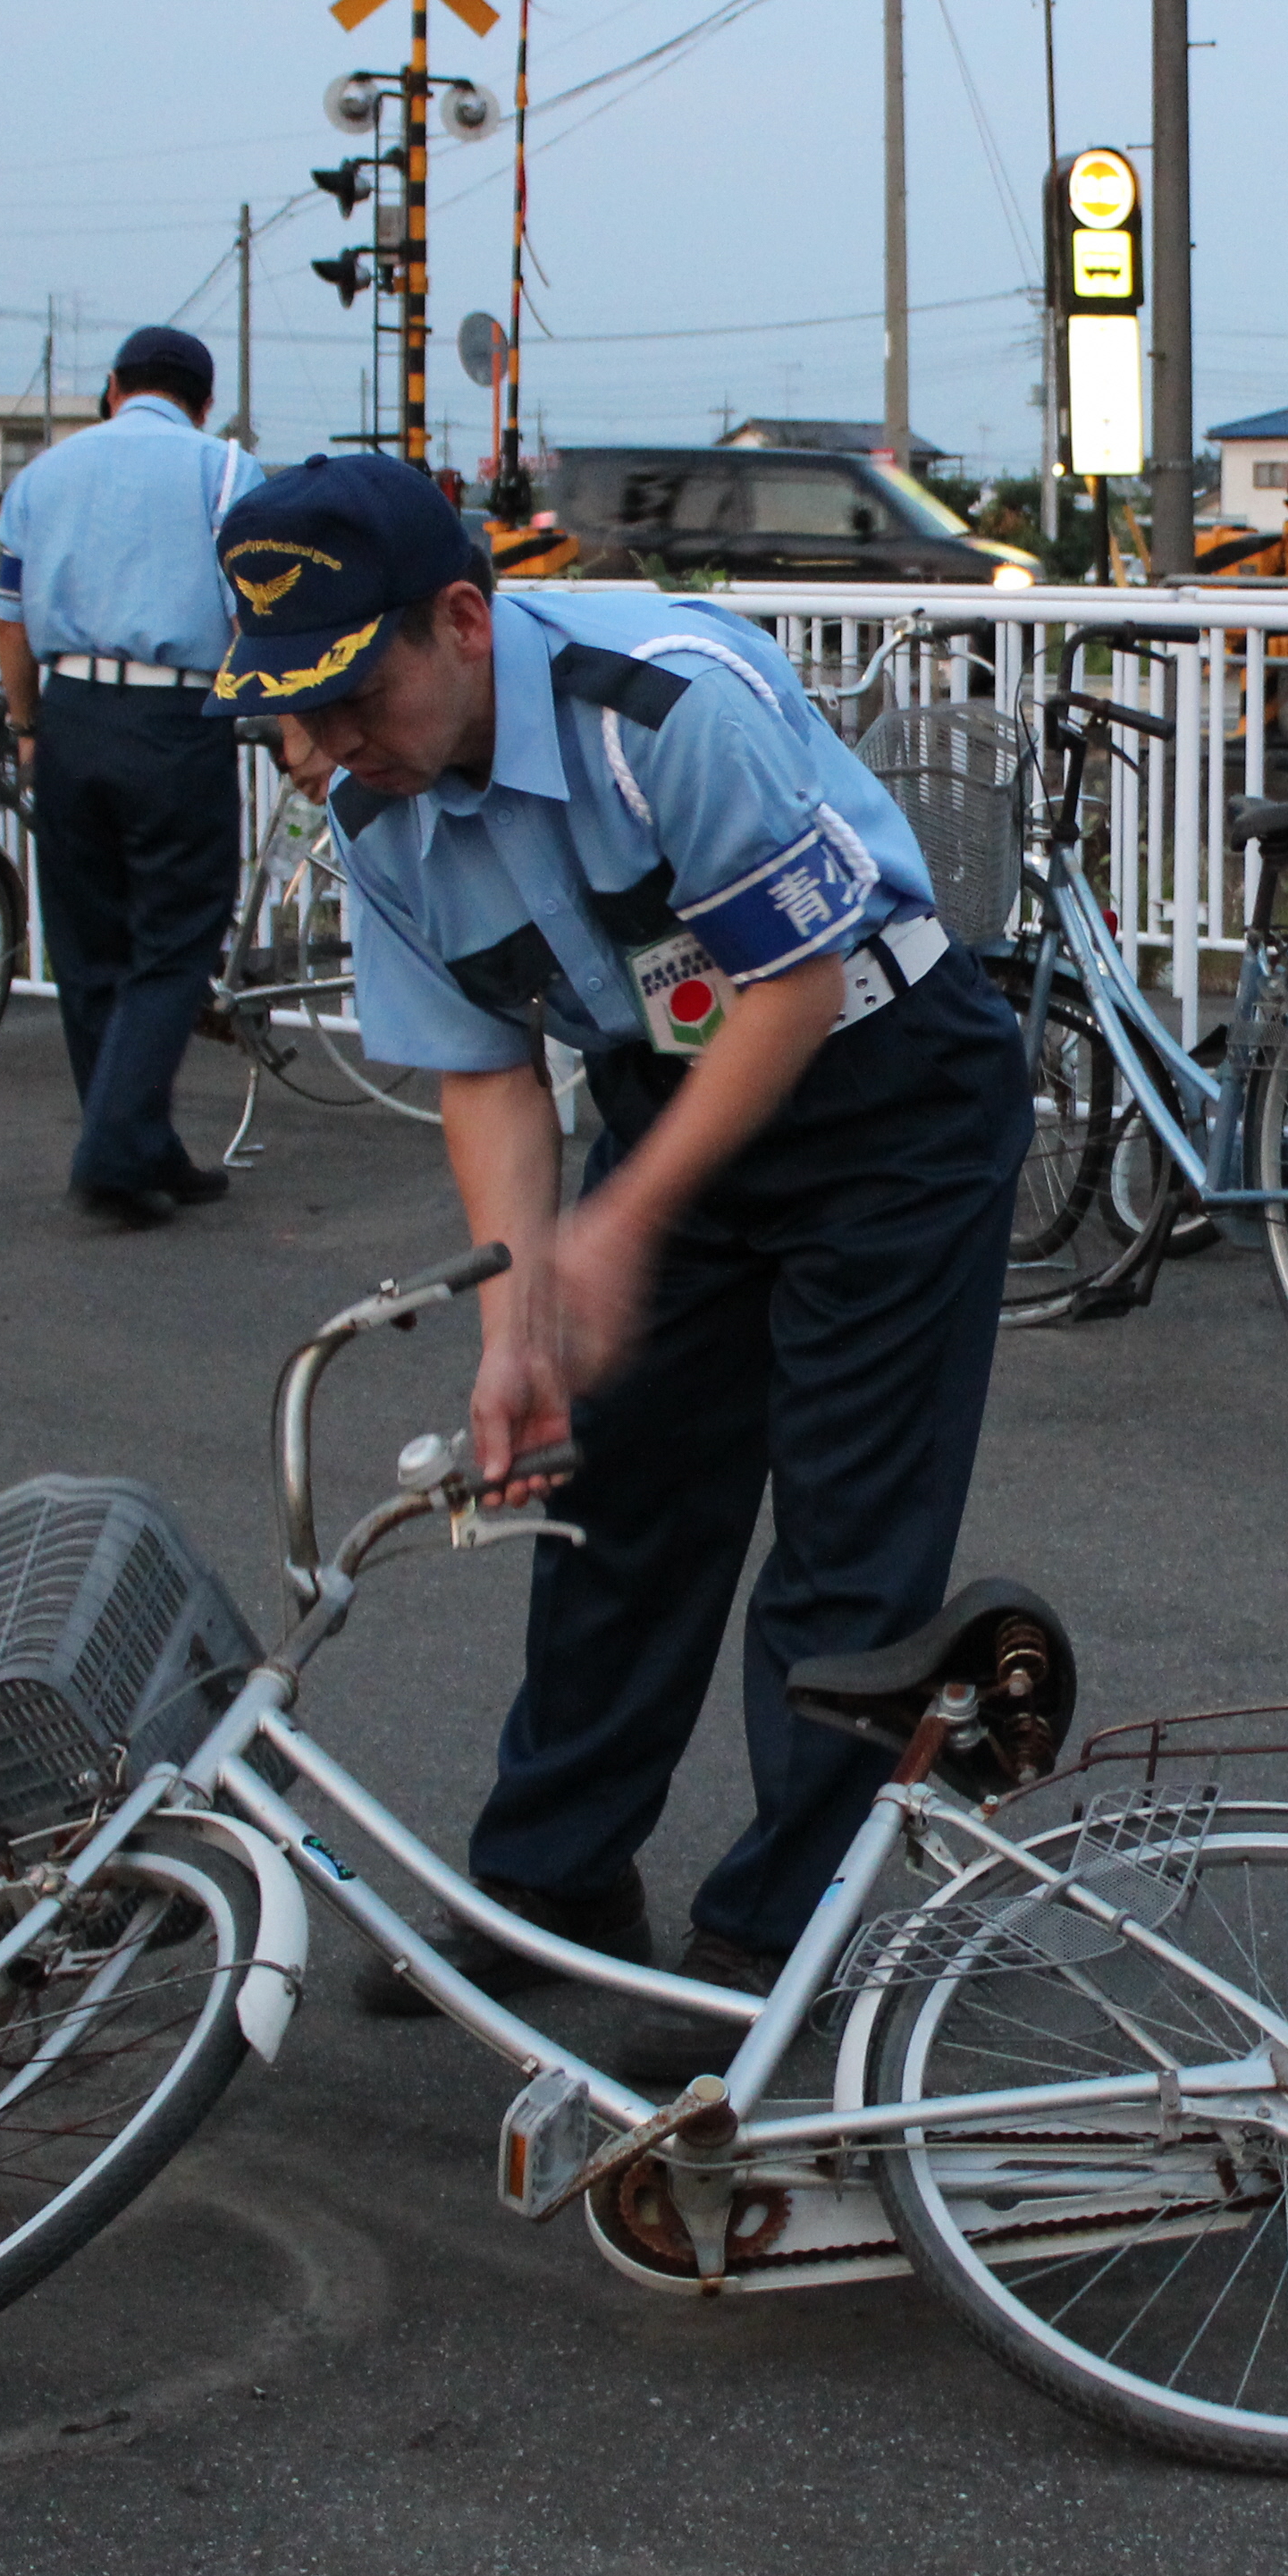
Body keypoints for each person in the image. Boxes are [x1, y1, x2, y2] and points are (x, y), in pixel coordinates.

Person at [199, 453, 1030, 2000]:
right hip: (671, 1096)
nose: (315, 754)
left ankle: (786, 1938)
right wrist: (521, 1325)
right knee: (608, 1495)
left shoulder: (658, 704)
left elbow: (787, 985)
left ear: (460, 618)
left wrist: (624, 1224)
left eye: (345, 700)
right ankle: (553, 1886)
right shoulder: (381, 817)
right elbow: (485, 1074)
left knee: (844, 1540)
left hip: (884, 1081)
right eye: (282, 715)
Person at [0, 327, 260, 1229]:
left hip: (68, 715)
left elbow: (14, 621)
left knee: (89, 943)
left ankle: (142, 1145)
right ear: (204, 402)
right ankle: (114, 1150)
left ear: (112, 389)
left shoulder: (42, 477)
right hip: (174, 722)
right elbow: (252, 610)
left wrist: (27, 729)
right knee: (175, 935)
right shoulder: (223, 473)